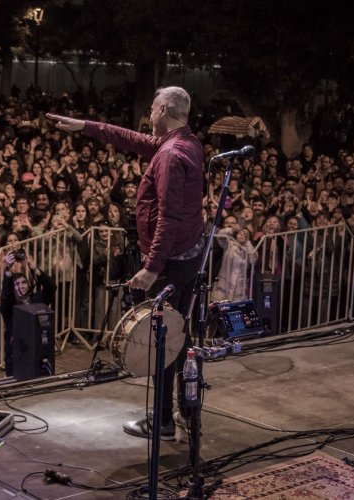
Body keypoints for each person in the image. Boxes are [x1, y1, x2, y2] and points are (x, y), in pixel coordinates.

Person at [48, 86, 205, 441]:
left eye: (152, 109)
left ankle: (163, 421)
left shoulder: (168, 155)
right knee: (180, 337)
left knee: (165, 340)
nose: (149, 116)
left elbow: (167, 217)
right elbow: (132, 139)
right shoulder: (188, 143)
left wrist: (151, 266)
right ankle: (188, 410)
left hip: (171, 261)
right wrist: (86, 126)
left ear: (164, 108)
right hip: (188, 254)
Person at [0, 250, 55, 377]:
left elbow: (51, 287)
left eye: (24, 282)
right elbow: (6, 295)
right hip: (16, 356)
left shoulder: (37, 300)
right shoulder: (10, 307)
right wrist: (8, 270)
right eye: (17, 284)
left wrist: (35, 269)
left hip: (37, 352)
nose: (21, 286)